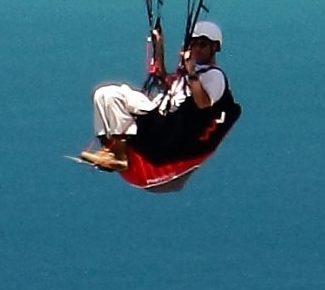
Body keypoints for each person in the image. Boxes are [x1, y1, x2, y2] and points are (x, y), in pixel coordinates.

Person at [79, 20, 237, 187]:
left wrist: (191, 73)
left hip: (170, 131)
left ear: (215, 48)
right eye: (193, 44)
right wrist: (159, 46)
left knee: (113, 97)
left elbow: (203, 103)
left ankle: (118, 155)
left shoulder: (215, 76)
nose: (197, 49)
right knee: (105, 94)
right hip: (160, 115)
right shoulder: (189, 74)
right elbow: (164, 80)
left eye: (203, 45)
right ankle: (112, 150)